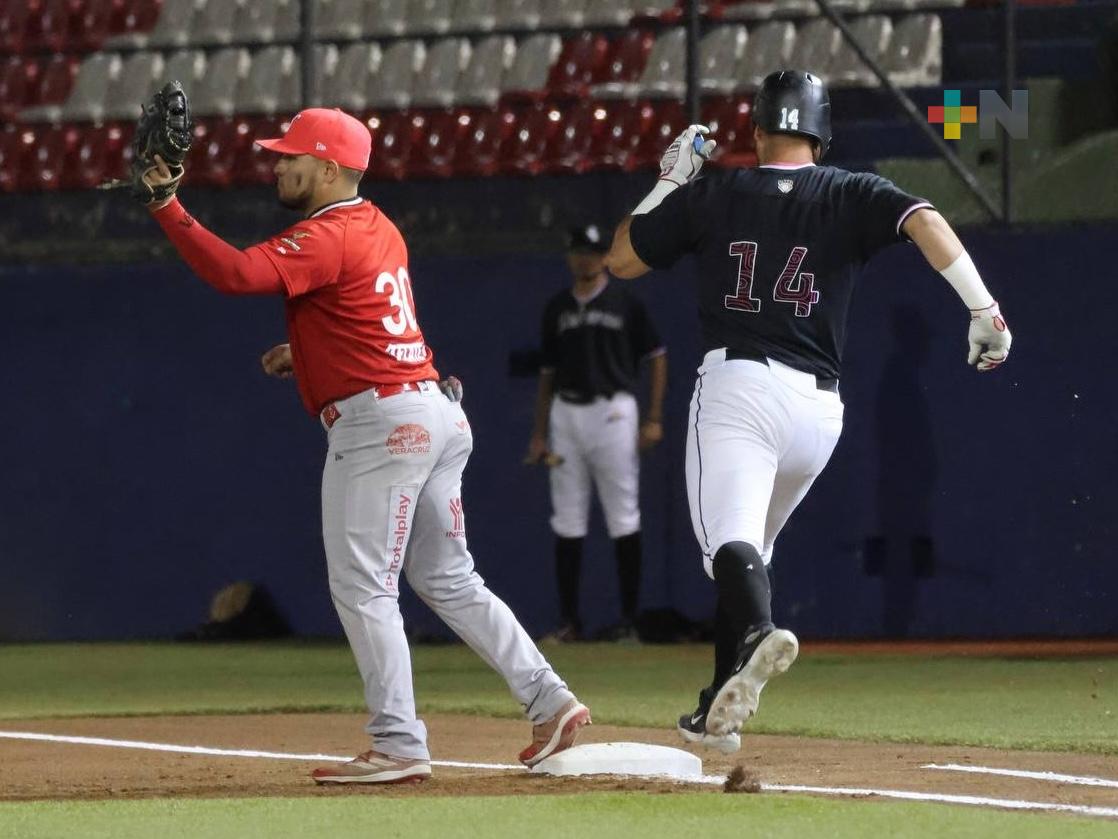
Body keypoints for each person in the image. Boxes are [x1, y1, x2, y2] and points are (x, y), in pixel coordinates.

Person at [138, 107, 591, 783]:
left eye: (290, 156)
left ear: (327, 167)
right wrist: (311, 350)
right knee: (448, 578)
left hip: (382, 426)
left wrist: (167, 204)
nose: (277, 164)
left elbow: (235, 274)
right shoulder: (377, 225)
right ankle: (551, 700)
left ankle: (399, 741)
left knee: (363, 585)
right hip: (433, 410)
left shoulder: (325, 235)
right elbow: (367, 314)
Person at [603, 70, 1012, 752]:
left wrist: (670, 179)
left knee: (727, 547)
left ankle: (762, 634)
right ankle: (715, 709)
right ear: (821, 138)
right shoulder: (851, 189)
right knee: (750, 555)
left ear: (757, 130)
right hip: (818, 412)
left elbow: (620, 259)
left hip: (740, 390)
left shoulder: (716, 190)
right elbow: (925, 219)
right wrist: (983, 308)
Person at [527, 225, 667, 643]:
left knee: (623, 514)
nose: (584, 259)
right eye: (578, 251)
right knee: (567, 518)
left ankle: (628, 620)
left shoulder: (625, 302)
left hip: (613, 411)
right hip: (567, 413)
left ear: (605, 255)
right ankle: (570, 622)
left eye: (591, 251)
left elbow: (657, 357)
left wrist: (654, 417)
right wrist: (539, 433)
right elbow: (547, 374)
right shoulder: (557, 308)